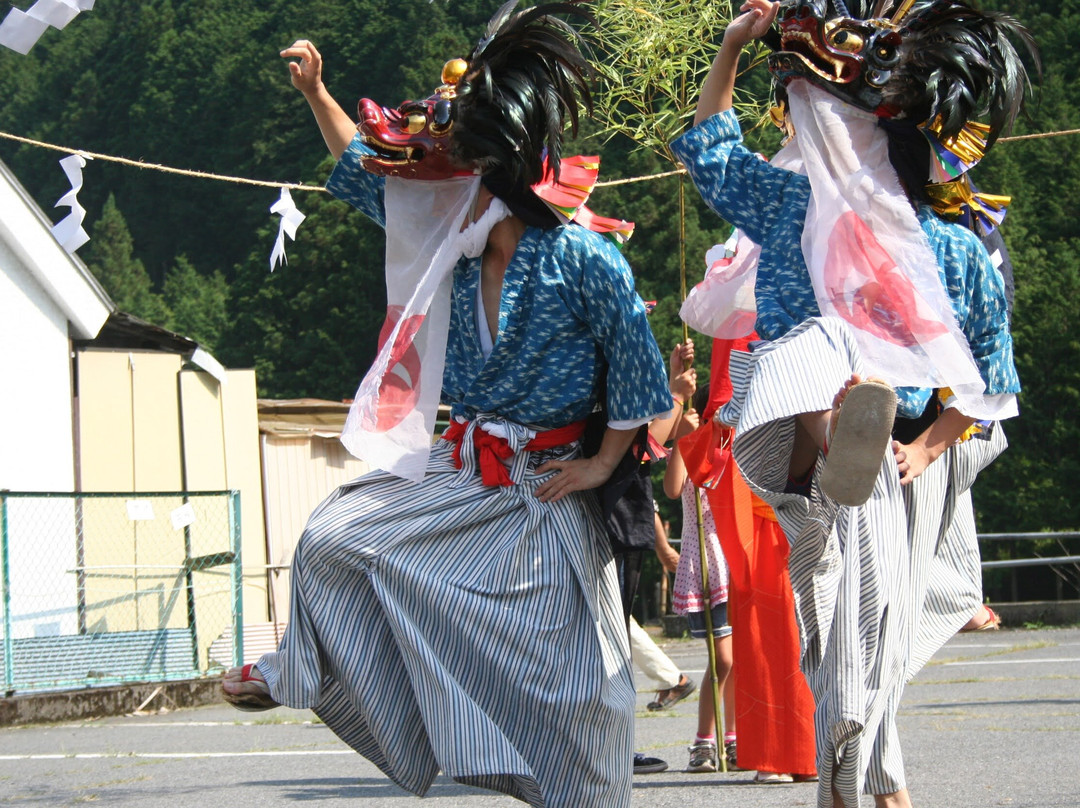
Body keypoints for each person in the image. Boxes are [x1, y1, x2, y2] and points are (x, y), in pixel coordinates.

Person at [222, 5, 672, 807]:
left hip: (549, 486)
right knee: (331, 536)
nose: (417, 198)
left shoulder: (584, 260)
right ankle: (299, 669)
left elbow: (641, 370)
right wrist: (317, 94)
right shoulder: (448, 247)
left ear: (483, 179)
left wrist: (602, 461)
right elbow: (363, 164)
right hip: (462, 468)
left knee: (585, 694)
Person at [670, 1, 1033, 805]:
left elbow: (992, 382)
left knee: (855, 633)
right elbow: (712, 152)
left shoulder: (950, 248)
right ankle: (833, 431)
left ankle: (869, 785)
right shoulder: (793, 210)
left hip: (894, 463)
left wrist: (927, 448)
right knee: (815, 351)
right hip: (794, 438)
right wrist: (733, 45)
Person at [679, 335, 817, 785]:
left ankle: (803, 748)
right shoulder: (724, 418)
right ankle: (779, 749)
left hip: (794, 498)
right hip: (754, 511)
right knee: (760, 631)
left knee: (798, 626)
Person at [664, 384, 736, 773]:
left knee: (738, 659)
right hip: (709, 566)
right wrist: (682, 439)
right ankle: (703, 742)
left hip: (738, 564)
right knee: (721, 659)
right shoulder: (697, 451)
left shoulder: (737, 452)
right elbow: (672, 488)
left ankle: (732, 738)